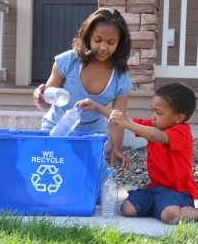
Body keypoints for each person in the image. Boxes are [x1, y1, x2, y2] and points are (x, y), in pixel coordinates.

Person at [77, 82, 198, 224]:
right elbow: (122, 118)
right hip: (155, 189)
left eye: (158, 113)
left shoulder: (181, 132)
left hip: (178, 192)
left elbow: (155, 136)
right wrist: (96, 107)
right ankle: (159, 207)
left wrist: (128, 125)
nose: (152, 116)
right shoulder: (152, 126)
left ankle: (177, 210)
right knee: (127, 209)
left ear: (178, 118)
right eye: (152, 111)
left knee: (170, 215)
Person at [33, 8, 133, 178]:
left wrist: (117, 148)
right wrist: (40, 96)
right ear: (88, 36)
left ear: (120, 43)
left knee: (93, 187)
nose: (103, 47)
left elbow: (117, 119)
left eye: (111, 42)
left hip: (92, 134)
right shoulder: (68, 61)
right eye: (98, 40)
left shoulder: (121, 79)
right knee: (55, 177)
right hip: (57, 129)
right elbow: (44, 103)